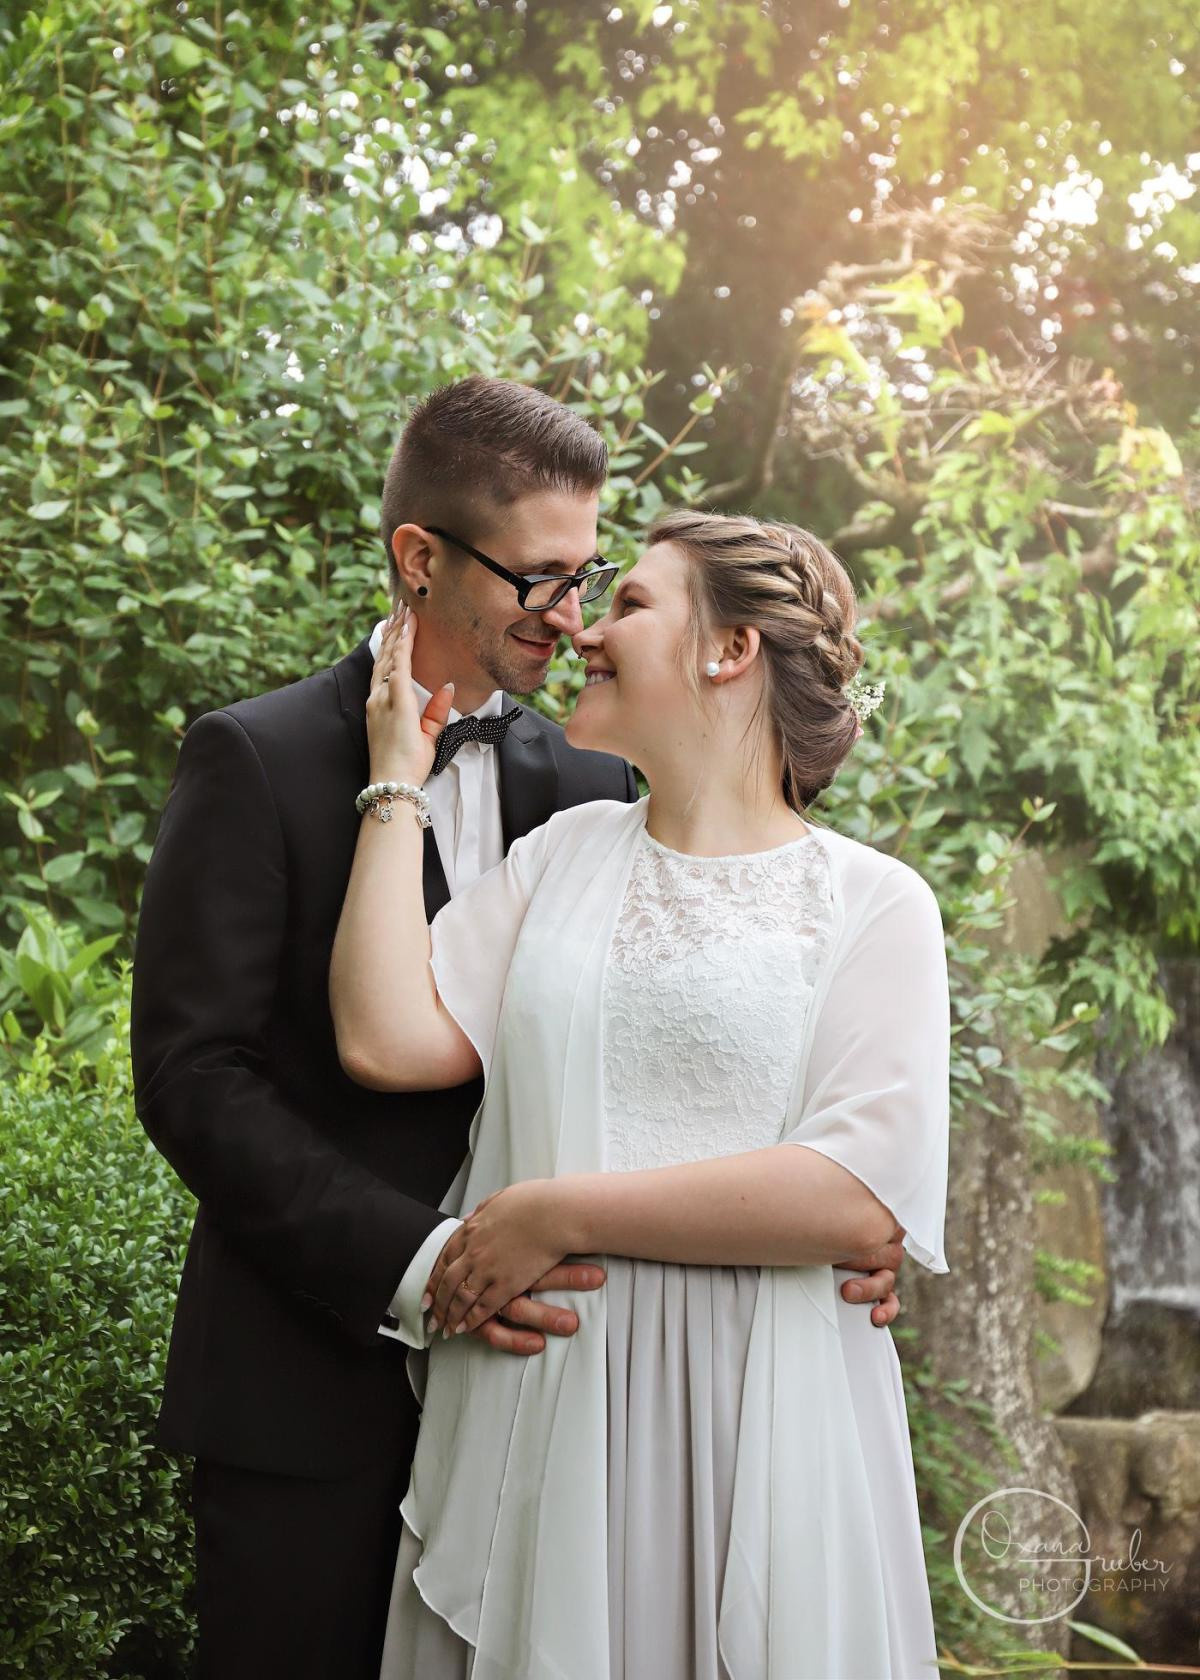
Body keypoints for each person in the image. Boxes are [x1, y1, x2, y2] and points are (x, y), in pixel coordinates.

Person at [129, 376, 904, 1680]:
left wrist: (841, 1228)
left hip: (568, 1410)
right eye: (539, 578)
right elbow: (194, 1079)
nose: (571, 616)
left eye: (589, 577)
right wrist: (418, 1263)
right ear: (419, 559)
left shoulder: (602, 786)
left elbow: (711, 1013)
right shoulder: (252, 760)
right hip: (314, 1395)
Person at [330, 508, 951, 1680]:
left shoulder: (876, 904)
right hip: (543, 1416)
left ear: (730, 652)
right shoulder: (560, 856)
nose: (581, 628)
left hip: (760, 1423)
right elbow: (382, 1036)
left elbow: (861, 1198)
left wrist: (555, 1213)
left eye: (628, 604)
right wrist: (394, 788)